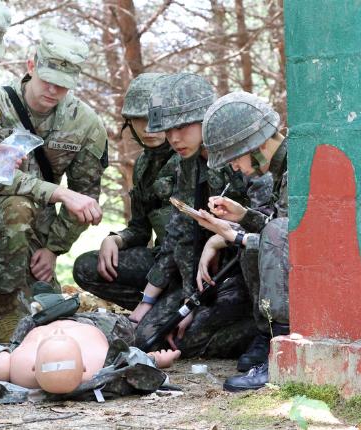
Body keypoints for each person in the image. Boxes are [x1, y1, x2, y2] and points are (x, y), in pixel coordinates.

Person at [0, 26, 107, 342]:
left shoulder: (85, 124)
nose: (52, 90)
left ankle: (19, 309)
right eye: (47, 80)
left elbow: (86, 196)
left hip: (40, 227)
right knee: (15, 206)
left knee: (45, 311)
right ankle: (3, 309)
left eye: (62, 86)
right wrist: (59, 193)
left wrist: (53, 249)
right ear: (31, 65)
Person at [126, 73, 258, 359]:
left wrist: (218, 241)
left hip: (248, 271)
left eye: (183, 126)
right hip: (209, 278)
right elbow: (182, 232)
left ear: (206, 120)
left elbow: (267, 223)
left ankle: (268, 334)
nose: (174, 138)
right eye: (169, 129)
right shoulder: (189, 163)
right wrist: (188, 300)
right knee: (149, 337)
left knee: (188, 342)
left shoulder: (242, 154)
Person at [193, 91, 289, 391]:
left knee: (262, 238)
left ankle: (283, 354)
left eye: (235, 158)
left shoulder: (296, 165)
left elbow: (287, 237)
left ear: (257, 145)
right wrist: (243, 216)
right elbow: (290, 231)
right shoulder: (285, 164)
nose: (234, 168)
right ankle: (270, 339)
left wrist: (234, 235)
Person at [72, 73, 175, 310]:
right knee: (87, 267)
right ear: (129, 121)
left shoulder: (191, 156)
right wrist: (116, 239)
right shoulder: (143, 165)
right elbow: (140, 228)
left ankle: (159, 312)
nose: (149, 126)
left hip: (193, 264)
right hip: (162, 260)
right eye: (140, 118)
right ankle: (153, 312)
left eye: (156, 117)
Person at [0, 314, 181, 394]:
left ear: (34, 367)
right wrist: (157, 359)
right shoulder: (101, 363)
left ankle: (45, 302)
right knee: (126, 329)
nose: (59, 330)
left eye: (54, 337)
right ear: (84, 368)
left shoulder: (17, 367)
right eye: (64, 338)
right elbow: (136, 360)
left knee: (29, 314)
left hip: (35, 322)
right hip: (94, 322)